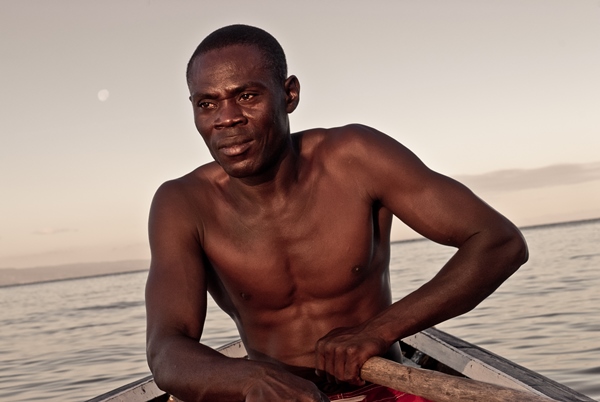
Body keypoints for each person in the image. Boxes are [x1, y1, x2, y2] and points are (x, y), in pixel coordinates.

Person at [145, 24, 528, 402]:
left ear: (289, 94)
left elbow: (499, 242)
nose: (226, 118)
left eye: (246, 96)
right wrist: (252, 378)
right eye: (207, 104)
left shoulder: (355, 158)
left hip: (385, 390)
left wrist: (378, 330)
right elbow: (165, 350)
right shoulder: (183, 203)